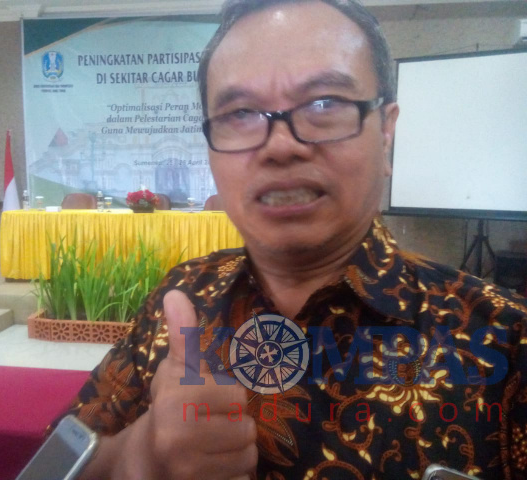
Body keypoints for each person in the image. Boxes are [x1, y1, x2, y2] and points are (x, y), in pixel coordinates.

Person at [62, 0, 527, 478]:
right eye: (241, 112)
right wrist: (137, 455)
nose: (281, 146)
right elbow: (50, 466)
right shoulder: (181, 299)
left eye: (325, 103)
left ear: (386, 133)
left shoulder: (505, 339)